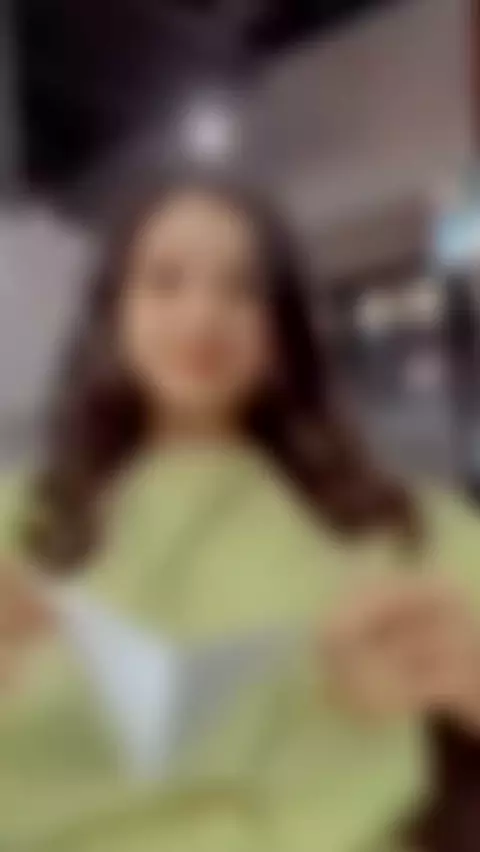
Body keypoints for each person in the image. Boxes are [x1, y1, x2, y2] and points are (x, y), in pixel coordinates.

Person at [1, 173, 480, 852]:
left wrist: (466, 681)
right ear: (113, 314)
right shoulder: (21, 521)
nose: (202, 317)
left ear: (281, 330)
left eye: (242, 289)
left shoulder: (393, 520)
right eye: (165, 282)